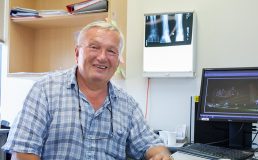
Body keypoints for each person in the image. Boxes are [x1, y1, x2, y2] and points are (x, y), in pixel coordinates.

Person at [2, 21, 173, 160]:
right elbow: (23, 152)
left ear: (118, 60)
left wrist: (161, 154)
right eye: (94, 47)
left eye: (111, 51)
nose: (102, 57)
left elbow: (150, 144)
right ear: (77, 53)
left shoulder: (128, 105)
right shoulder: (45, 91)